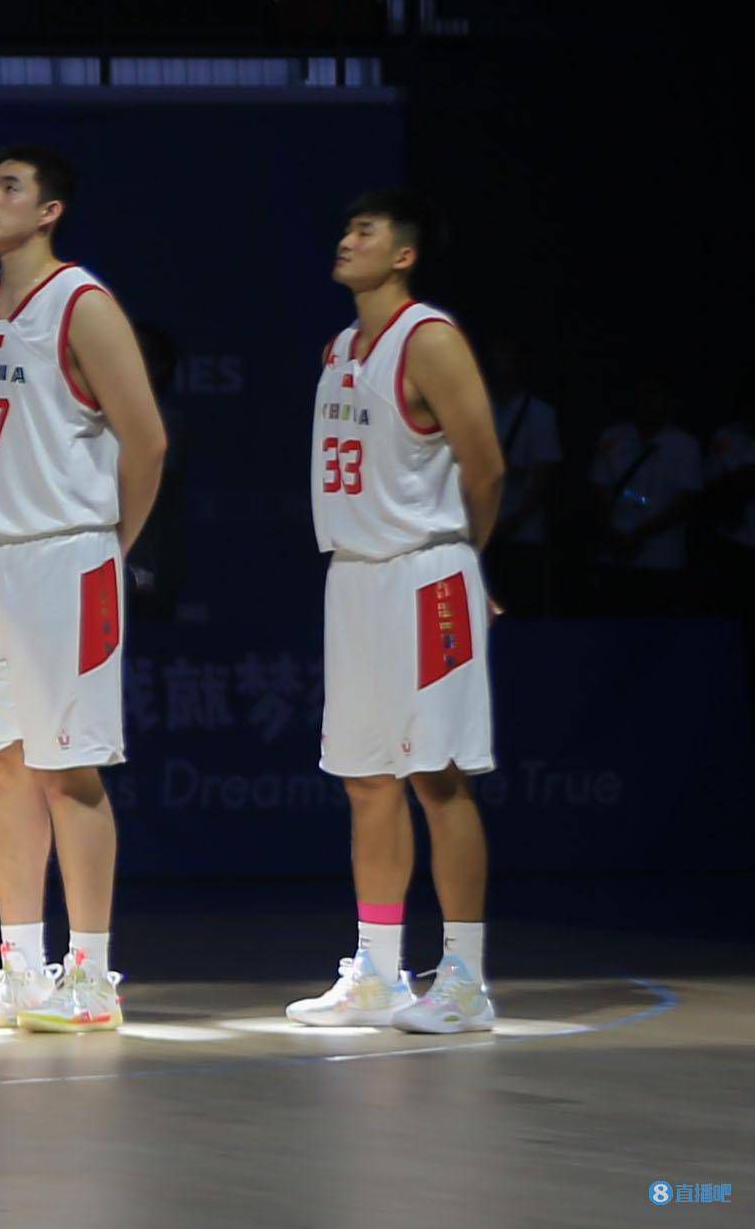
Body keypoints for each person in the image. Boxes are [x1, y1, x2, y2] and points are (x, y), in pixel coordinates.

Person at [0, 145, 170, 1034]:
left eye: (9, 186)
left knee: (66, 767)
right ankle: (22, 964)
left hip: (63, 556)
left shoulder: (83, 302)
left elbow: (145, 440)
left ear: (50, 211)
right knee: (1, 766)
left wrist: (112, 546)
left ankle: (93, 969)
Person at [286, 191, 507, 1036]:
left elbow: (486, 465)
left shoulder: (430, 338)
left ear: (403, 254)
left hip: (426, 574)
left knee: (438, 777)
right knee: (366, 779)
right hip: (355, 577)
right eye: (343, 228)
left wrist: (464, 557)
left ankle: (463, 977)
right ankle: (378, 970)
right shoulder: (341, 346)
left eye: (365, 231)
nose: (346, 240)